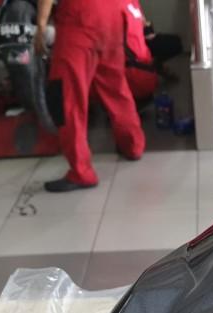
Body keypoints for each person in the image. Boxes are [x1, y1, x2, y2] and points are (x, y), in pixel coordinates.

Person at [34, 0, 145, 193]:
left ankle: (81, 173)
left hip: (79, 20)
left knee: (68, 96)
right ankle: (132, 145)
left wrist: (41, 26)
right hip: (112, 17)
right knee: (115, 87)